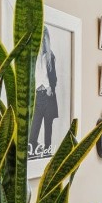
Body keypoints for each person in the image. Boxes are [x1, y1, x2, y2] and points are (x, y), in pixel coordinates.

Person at [29, 26, 59, 157]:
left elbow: (54, 78)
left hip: (48, 96)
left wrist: (51, 88)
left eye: (43, 39)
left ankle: (47, 155)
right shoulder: (33, 56)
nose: (41, 41)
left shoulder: (50, 56)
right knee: (33, 131)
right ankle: (35, 150)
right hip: (37, 95)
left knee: (48, 130)